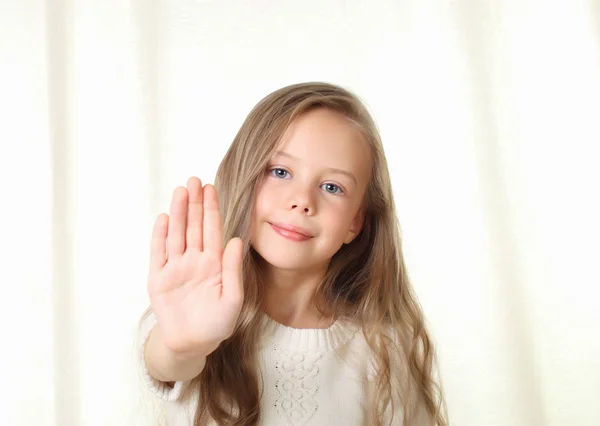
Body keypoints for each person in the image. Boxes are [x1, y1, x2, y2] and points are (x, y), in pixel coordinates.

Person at [138, 82, 448, 426]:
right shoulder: (189, 311)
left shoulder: (384, 351)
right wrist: (184, 348)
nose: (302, 200)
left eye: (332, 187)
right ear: (246, 174)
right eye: (280, 172)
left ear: (355, 222)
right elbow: (166, 363)